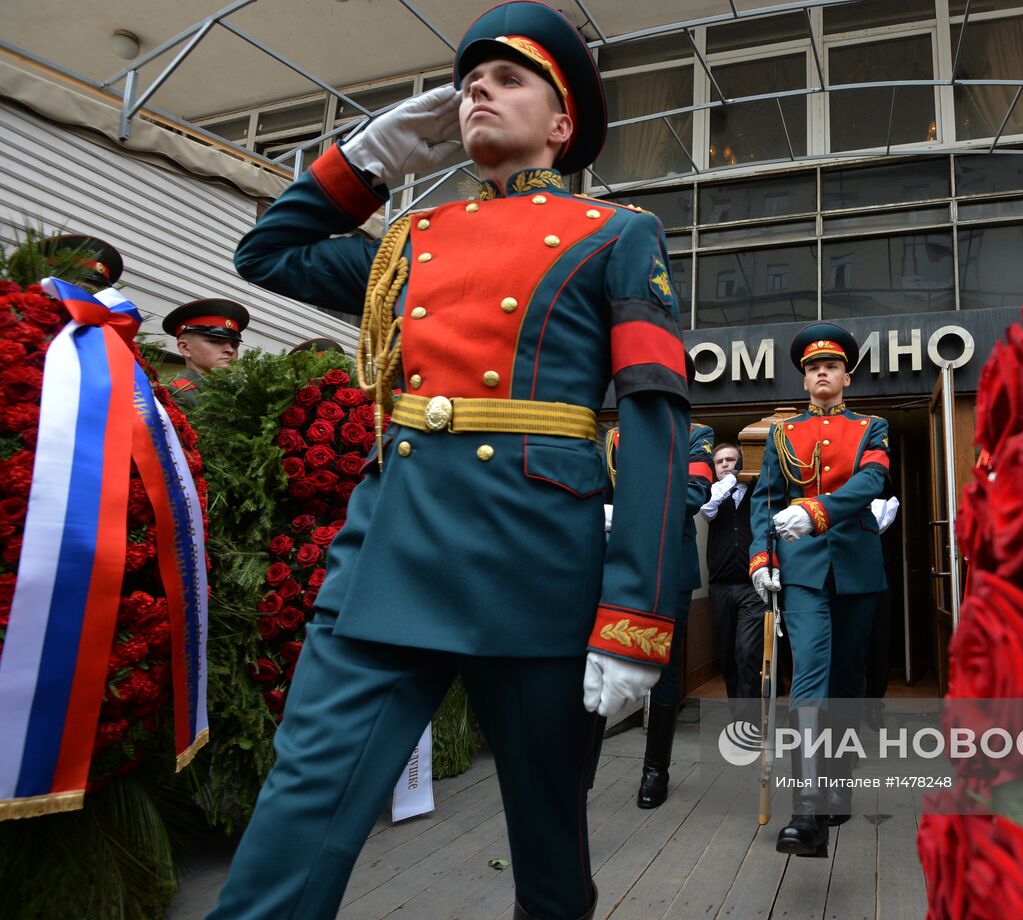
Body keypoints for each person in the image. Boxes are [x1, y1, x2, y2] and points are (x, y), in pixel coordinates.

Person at [209, 4, 689, 918]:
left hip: (537, 565)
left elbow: (657, 423)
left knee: (549, 851)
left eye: (509, 79)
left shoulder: (614, 233)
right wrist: (373, 156)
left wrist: (639, 615)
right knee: (297, 817)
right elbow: (266, 253)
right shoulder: (407, 244)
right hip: (392, 555)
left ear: (561, 126)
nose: (478, 89)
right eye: (470, 80)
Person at [748, 322, 890, 858]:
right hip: (802, 573)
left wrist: (817, 509)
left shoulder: (872, 427)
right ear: (804, 380)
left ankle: (837, 786)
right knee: (809, 675)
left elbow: (873, 481)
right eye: (811, 368)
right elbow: (765, 500)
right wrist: (761, 560)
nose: (820, 373)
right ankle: (805, 810)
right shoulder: (783, 435)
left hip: (856, 569)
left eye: (829, 365)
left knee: (848, 681)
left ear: (846, 375)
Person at [605, 392, 713, 809]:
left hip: (670, 565)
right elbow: (600, 494)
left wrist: (628, 511)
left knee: (664, 670)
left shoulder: (695, 435)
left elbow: (693, 494)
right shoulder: (616, 438)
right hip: (621, 565)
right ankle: (582, 771)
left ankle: (656, 770)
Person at [700, 442, 768, 720]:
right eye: (720, 461)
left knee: (747, 650)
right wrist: (726, 484)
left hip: (751, 586)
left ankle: (748, 719)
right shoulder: (711, 495)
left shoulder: (757, 494)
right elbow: (707, 511)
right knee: (728, 654)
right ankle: (736, 714)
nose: (726, 464)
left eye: (731, 460)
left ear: (742, 463)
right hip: (720, 587)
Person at [161, 298, 249, 410]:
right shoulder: (175, 395)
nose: (230, 350)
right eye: (216, 341)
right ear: (185, 348)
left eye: (234, 345)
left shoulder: (241, 394)